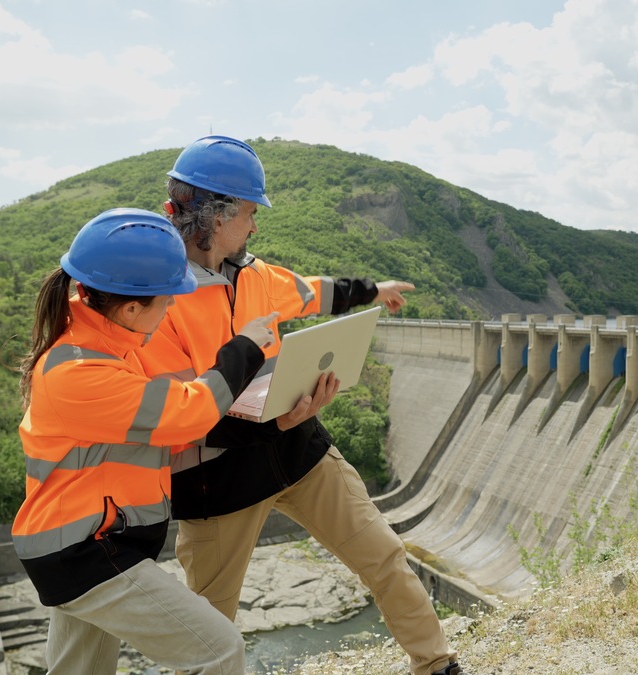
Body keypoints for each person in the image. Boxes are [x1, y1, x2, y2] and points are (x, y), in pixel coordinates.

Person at [138, 135, 462, 675]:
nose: (255, 226)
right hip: (217, 481)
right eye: (248, 213)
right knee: (211, 627)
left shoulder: (254, 274)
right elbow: (180, 415)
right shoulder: (156, 300)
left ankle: (436, 665)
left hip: (299, 451)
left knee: (383, 556)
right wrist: (273, 423)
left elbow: (311, 292)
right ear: (214, 217)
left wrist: (371, 290)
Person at [11, 207, 278, 675]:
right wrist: (246, 348)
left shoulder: (108, 349)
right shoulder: (82, 372)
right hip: (87, 549)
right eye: (167, 299)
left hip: (79, 546)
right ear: (132, 307)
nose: (172, 307)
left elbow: (169, 430)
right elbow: (189, 412)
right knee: (218, 649)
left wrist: (273, 420)